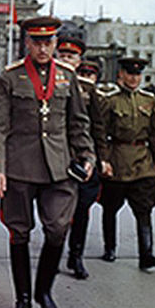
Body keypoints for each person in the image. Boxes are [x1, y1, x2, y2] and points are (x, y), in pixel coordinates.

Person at [0, 17, 94, 308]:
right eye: (37, 42)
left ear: (56, 44)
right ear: (28, 44)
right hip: (19, 167)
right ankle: (22, 299)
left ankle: (43, 292)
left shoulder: (66, 77)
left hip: (58, 169)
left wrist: (85, 154)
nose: (43, 48)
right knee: (19, 232)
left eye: (48, 42)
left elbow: (78, 122)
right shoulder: (10, 78)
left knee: (58, 229)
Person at [96, 57, 155, 271]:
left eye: (137, 74)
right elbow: (100, 133)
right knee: (110, 207)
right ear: (121, 75)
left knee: (144, 209)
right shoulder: (110, 101)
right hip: (117, 160)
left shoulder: (149, 100)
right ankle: (110, 248)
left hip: (142, 162)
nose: (134, 78)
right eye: (129, 74)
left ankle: (146, 254)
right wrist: (104, 160)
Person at [60, 54, 105, 280]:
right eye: (63, 55)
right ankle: (56, 250)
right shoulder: (51, 82)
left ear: (79, 60)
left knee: (81, 210)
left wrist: (100, 158)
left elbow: (97, 127)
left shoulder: (88, 89)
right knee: (57, 211)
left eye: (72, 57)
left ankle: (75, 255)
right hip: (57, 158)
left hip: (82, 159)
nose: (67, 60)